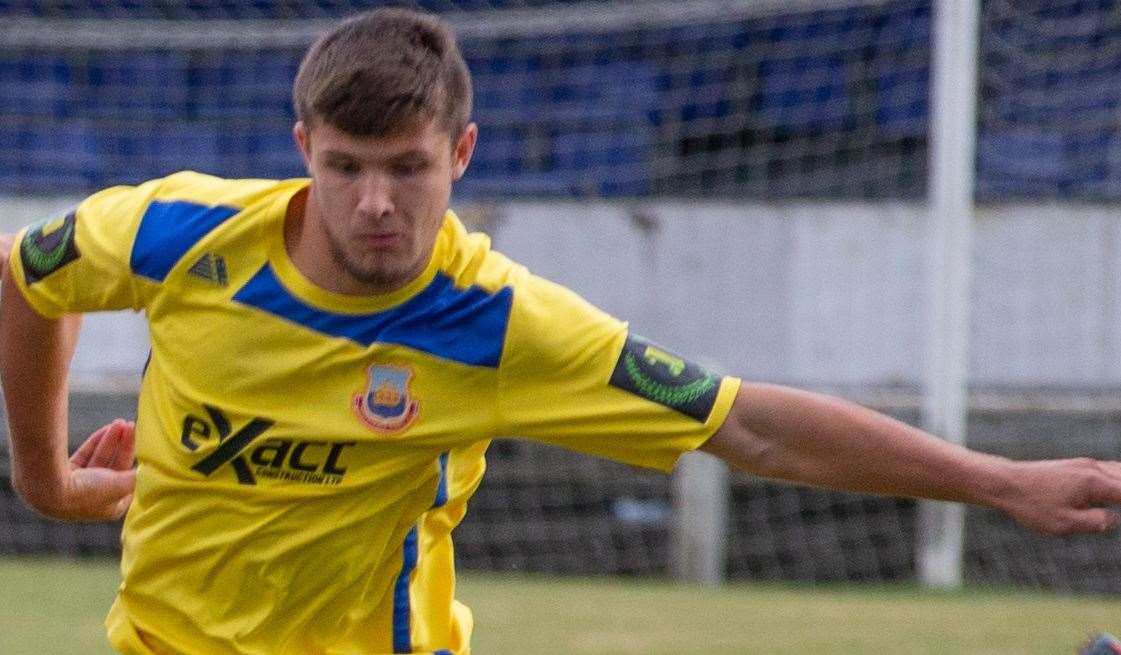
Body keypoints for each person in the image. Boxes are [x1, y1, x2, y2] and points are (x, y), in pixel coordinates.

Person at [2, 8, 1120, 655]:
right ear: (304, 148)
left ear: (463, 156)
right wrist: (46, 476)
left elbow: (746, 426)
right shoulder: (174, 236)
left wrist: (998, 482)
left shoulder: (497, 324)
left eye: (409, 169)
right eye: (346, 168)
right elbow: (26, 276)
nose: (377, 203)